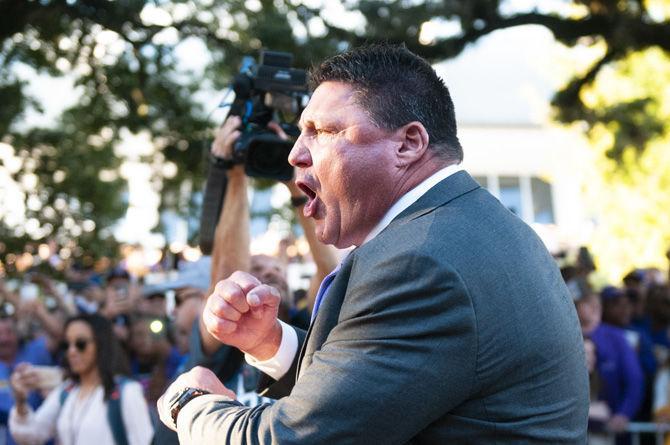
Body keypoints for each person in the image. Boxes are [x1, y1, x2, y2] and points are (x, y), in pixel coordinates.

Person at [157, 43, 588, 443]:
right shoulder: (470, 229)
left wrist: (192, 406)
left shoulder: (420, 262)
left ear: (409, 143)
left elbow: (294, 438)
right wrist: (271, 344)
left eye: (321, 131)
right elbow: (386, 393)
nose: (294, 154)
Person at [9, 313, 153, 445]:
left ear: (101, 345)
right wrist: (21, 401)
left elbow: (145, 441)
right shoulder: (67, 391)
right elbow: (30, 435)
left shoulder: (127, 391)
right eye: (67, 345)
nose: (72, 351)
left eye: (80, 344)